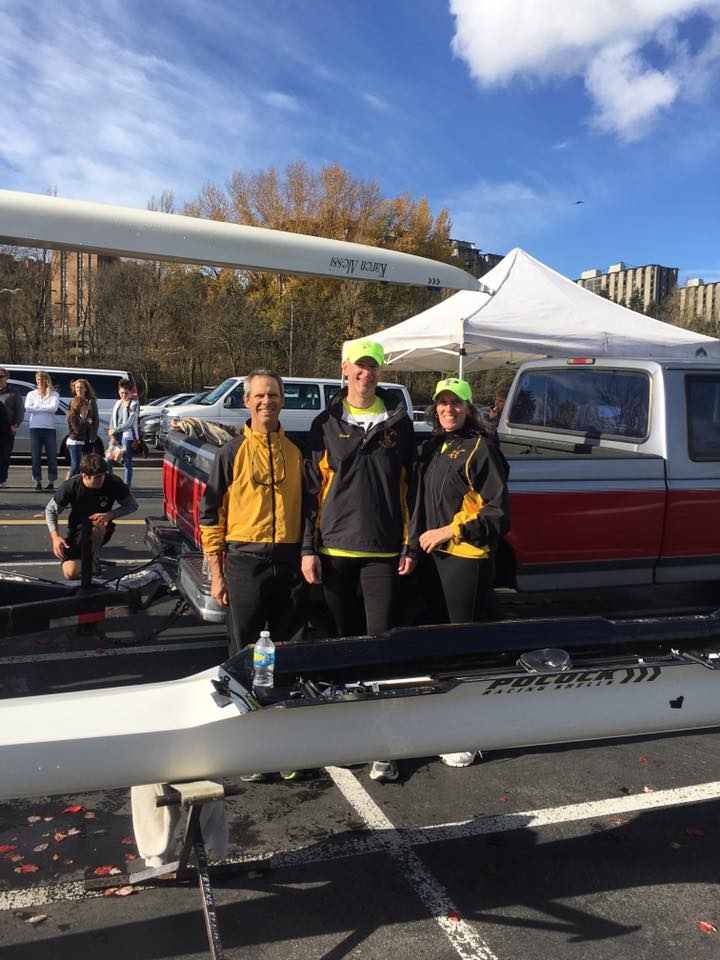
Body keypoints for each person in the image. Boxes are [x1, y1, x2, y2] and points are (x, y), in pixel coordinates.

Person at [302, 339, 419, 783]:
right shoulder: (325, 423)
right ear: (344, 370)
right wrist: (308, 548)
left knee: (381, 646)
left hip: (382, 552)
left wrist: (409, 545)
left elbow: (412, 490)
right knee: (340, 646)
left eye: (373, 367)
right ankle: (345, 736)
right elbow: (311, 491)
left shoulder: (400, 424)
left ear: (380, 373)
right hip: (333, 551)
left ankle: (382, 746)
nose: (366, 374)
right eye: (359, 367)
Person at [419, 376, 510, 768]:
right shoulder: (437, 446)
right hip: (434, 558)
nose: (448, 409)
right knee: (442, 647)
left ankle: (469, 736)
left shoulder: (481, 449)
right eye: (442, 403)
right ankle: (444, 724)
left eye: (456, 404)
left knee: (465, 650)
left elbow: (497, 513)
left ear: (469, 408)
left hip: (466, 556)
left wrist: (450, 530)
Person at [199, 369, 306, 658]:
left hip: (289, 562)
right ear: (247, 400)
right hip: (245, 561)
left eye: (273, 394)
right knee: (244, 646)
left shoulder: (297, 452)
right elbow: (210, 515)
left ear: (282, 401)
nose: (266, 401)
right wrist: (217, 574)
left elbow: (310, 507)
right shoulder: (231, 453)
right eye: (259, 395)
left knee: (291, 645)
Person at [46, 452, 138, 580]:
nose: (102, 479)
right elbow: (50, 510)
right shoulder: (71, 486)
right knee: (71, 574)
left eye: (103, 475)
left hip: (100, 528)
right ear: (85, 476)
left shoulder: (113, 482)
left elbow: (132, 505)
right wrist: (55, 537)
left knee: (94, 528)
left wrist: (110, 514)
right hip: (77, 530)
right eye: (98, 477)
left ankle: (93, 559)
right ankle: (84, 558)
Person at [25, 370, 60, 491]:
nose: (40, 381)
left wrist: (37, 407)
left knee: (51, 456)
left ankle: (51, 481)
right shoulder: (31, 394)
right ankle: (37, 481)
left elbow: (53, 408)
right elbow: (28, 408)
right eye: (38, 379)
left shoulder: (54, 394)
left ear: (46, 380)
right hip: (35, 427)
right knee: (36, 456)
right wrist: (44, 408)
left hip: (49, 428)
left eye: (42, 379)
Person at [107, 378, 140, 488]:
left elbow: (129, 423)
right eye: (121, 392)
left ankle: (126, 487)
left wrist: (115, 430)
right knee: (108, 459)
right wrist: (112, 435)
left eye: (126, 393)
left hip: (127, 437)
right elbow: (112, 419)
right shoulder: (117, 403)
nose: (123, 395)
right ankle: (109, 483)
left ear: (130, 393)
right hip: (116, 435)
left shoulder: (134, 404)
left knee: (126, 462)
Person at [66, 378, 100, 477]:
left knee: (87, 464)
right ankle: (71, 483)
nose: (79, 389)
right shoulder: (72, 402)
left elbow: (95, 419)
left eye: (81, 387)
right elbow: (71, 420)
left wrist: (93, 436)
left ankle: (84, 485)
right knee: (76, 464)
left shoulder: (91, 401)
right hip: (77, 436)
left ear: (86, 389)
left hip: (88, 436)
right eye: (77, 387)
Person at [0, 367, 24, 488]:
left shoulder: (14, 392)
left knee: (4, 456)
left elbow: (20, 410)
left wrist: (15, 425)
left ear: (7, 377)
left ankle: (2, 479)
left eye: (1, 377)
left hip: (7, 429)